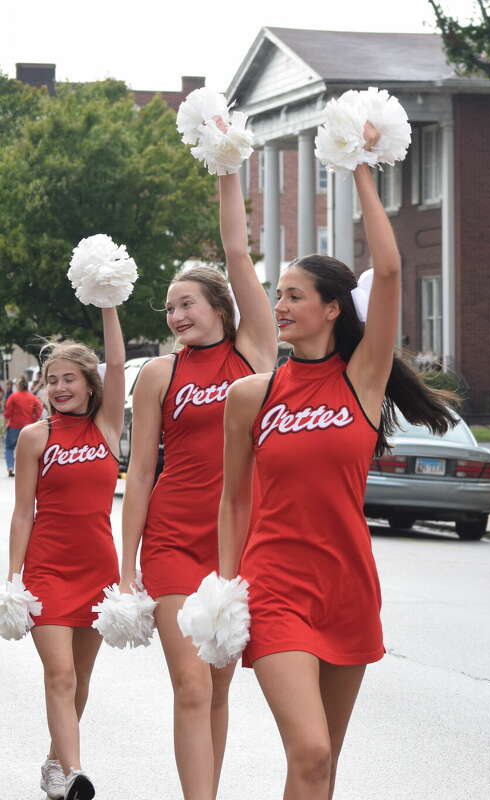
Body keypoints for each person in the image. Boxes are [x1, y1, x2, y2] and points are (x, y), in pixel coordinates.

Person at [216, 121, 457, 799]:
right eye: (278, 295)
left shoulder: (364, 379)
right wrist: (227, 589)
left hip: (348, 585)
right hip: (274, 586)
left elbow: (392, 270)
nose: (281, 305)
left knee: (322, 768)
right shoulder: (251, 395)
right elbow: (233, 499)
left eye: (294, 295)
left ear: (330, 309)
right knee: (311, 749)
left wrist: (356, 168)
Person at [118, 141, 277, 799]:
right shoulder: (160, 374)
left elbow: (238, 253)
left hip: (238, 545)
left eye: (187, 303)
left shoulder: (255, 352)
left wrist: (227, 164)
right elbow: (143, 474)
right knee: (189, 684)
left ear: (218, 305)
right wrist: (126, 565)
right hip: (174, 541)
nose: (177, 316)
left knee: (217, 683)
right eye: (169, 309)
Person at [7, 310, 126, 800]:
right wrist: (13, 579)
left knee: (81, 679)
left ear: (89, 384)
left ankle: (55, 761)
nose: (58, 387)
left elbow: (118, 364)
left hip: (99, 570)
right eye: (51, 379)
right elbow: (22, 514)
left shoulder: (107, 424)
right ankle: (75, 772)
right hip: (47, 571)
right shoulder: (36, 437)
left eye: (69, 378)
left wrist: (106, 300)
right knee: (59, 673)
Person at [5, 377, 44, 477]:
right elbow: (39, 409)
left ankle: (10, 467)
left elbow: (7, 411)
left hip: (14, 426)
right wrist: (35, 418)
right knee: (28, 449)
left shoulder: (13, 396)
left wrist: (7, 420)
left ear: (18, 385)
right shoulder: (32, 397)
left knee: (9, 447)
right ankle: (27, 469)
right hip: (29, 426)